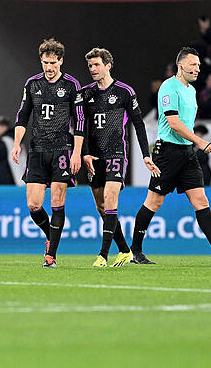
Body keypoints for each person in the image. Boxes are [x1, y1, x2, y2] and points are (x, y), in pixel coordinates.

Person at [129, 47, 211, 265]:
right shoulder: (168, 87)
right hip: (167, 153)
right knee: (153, 202)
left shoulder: (190, 90)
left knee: (200, 199)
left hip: (186, 153)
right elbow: (173, 123)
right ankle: (135, 251)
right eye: (193, 64)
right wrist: (200, 142)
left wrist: (193, 145)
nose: (197, 69)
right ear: (181, 65)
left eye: (199, 65)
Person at [79, 48, 160, 267]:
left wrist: (146, 155)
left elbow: (139, 124)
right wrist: (84, 152)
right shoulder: (86, 94)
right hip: (93, 157)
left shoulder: (124, 92)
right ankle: (125, 250)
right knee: (102, 208)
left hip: (115, 152)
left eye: (96, 65)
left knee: (111, 200)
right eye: (90, 66)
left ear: (108, 65)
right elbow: (80, 127)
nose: (92, 69)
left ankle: (102, 255)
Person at [12, 38, 84, 268]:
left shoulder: (72, 85)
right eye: (45, 62)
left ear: (61, 61)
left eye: (53, 63)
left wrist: (77, 153)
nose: (49, 67)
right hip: (37, 150)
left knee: (56, 201)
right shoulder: (32, 84)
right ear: (40, 61)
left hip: (62, 150)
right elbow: (23, 115)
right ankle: (50, 235)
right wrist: (16, 144)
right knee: (33, 205)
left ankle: (50, 256)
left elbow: (80, 121)